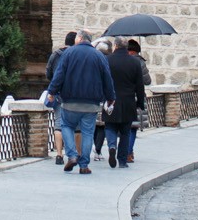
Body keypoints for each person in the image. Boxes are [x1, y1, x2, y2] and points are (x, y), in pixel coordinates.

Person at [49, 32, 115, 174]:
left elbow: (59, 75)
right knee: (87, 133)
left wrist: (52, 92)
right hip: (91, 103)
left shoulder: (69, 53)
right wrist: (110, 97)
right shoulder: (99, 56)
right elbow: (107, 78)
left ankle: (72, 155)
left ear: (79, 39)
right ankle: (84, 165)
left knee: (66, 126)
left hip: (70, 100)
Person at [106, 37, 149, 168]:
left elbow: (103, 80)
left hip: (110, 100)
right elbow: (140, 85)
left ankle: (112, 146)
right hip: (128, 101)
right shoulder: (135, 62)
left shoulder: (107, 60)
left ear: (115, 46)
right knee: (125, 131)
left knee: (110, 126)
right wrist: (140, 102)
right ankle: (123, 160)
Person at [45, 30, 77, 164]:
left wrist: (53, 88)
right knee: (75, 126)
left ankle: (59, 155)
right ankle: (76, 153)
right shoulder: (76, 55)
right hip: (74, 95)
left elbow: (48, 73)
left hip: (57, 94)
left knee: (58, 124)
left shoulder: (55, 55)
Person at [91, 39, 115, 157]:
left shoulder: (94, 61)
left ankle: (95, 147)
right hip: (104, 97)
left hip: (94, 96)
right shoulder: (110, 61)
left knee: (94, 124)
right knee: (102, 125)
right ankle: (98, 150)